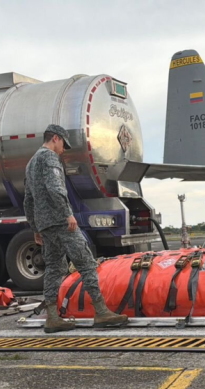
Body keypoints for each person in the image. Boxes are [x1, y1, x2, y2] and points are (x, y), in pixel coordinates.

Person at [24, 124, 128, 332]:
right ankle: (101, 312)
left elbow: (28, 199)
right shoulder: (49, 158)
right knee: (86, 263)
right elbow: (55, 187)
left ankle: (52, 317)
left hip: (45, 226)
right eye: (63, 144)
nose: (64, 150)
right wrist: (67, 213)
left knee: (54, 268)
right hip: (60, 222)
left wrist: (36, 227)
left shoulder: (31, 163)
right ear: (55, 138)